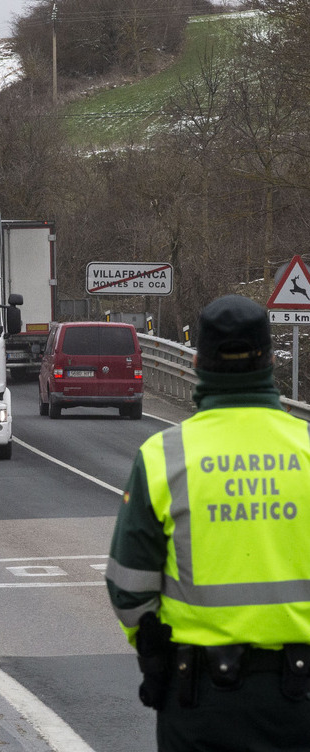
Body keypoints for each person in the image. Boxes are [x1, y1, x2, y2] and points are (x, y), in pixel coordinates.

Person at [105, 294, 310, 751]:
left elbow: (128, 587)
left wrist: (156, 654)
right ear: (270, 362)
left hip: (199, 699)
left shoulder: (163, 457)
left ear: (197, 361)